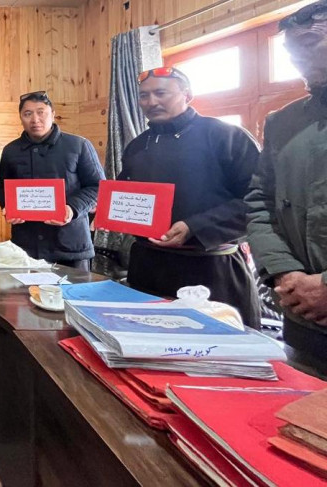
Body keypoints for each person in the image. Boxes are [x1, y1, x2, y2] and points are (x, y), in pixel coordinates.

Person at [119, 67, 261, 328]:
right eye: (144, 96)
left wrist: (195, 226)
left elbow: (258, 202)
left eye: (161, 93)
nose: (151, 102)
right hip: (147, 268)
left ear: (187, 94)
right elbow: (123, 194)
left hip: (212, 270)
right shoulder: (137, 146)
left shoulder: (226, 136)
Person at [246, 0, 327, 361]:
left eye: (308, 43)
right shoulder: (282, 123)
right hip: (301, 315)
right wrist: (285, 273)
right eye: (290, 50)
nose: (296, 59)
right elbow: (260, 202)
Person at [0, 91, 105, 271]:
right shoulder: (11, 151)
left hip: (71, 246)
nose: (35, 119)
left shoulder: (78, 145)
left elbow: (98, 186)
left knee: (74, 290)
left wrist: (72, 208)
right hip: (26, 247)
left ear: (53, 114)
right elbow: (2, 186)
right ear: (21, 118)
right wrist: (8, 207)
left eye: (41, 112)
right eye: (27, 114)